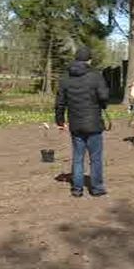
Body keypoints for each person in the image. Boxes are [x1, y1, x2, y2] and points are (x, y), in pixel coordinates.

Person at [55, 46, 111, 197]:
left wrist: (60, 121)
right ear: (89, 60)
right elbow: (104, 96)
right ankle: (97, 188)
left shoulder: (65, 78)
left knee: (78, 157)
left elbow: (60, 102)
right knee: (95, 158)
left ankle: (77, 189)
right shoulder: (96, 76)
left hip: (75, 123)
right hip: (93, 123)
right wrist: (103, 104)